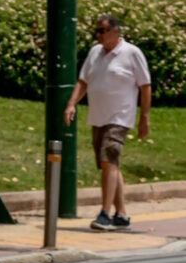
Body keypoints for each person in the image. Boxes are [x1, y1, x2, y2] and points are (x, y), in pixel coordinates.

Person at [63, 14, 151, 231]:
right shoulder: (95, 52)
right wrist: (71, 104)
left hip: (120, 118)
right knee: (110, 163)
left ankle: (105, 214)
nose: (98, 35)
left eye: (102, 31)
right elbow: (83, 81)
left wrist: (144, 118)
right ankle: (122, 214)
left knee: (108, 159)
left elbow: (145, 86)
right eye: (97, 31)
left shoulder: (132, 53)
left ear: (115, 31)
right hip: (98, 117)